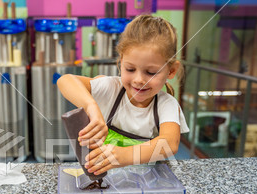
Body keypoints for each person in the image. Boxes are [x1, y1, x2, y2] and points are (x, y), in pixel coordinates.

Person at [57, 14, 189, 176]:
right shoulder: (111, 88)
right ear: (120, 63)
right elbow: (65, 80)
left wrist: (124, 156)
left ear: (171, 70)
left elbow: (169, 143)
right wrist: (91, 106)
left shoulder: (166, 104)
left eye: (151, 72)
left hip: (147, 185)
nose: (139, 80)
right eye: (130, 69)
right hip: (108, 183)